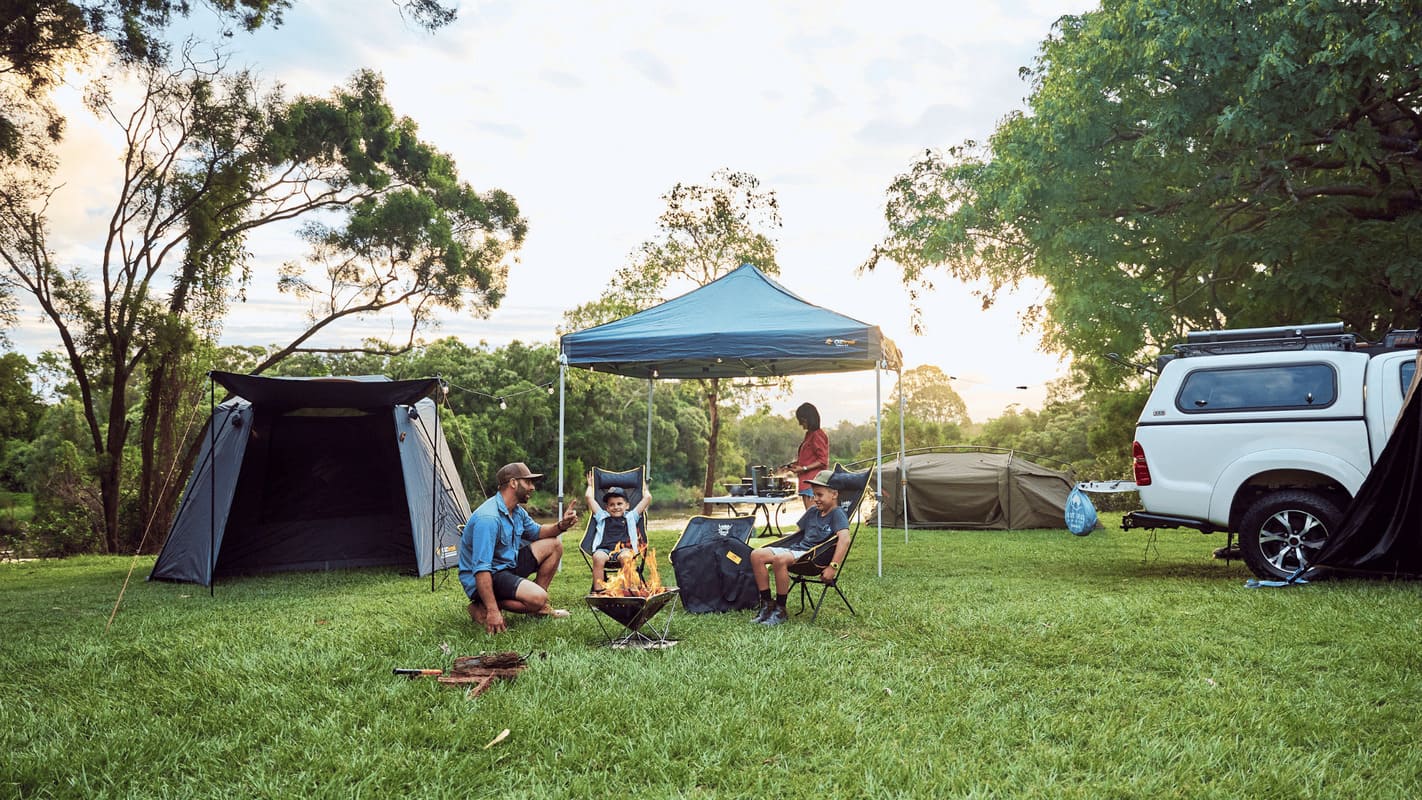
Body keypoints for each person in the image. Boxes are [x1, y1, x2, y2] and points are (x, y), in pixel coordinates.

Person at [460, 462, 579, 634]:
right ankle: (483, 605)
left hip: (507, 566)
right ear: (513, 483)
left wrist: (562, 525)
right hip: (486, 577)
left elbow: (538, 532)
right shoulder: (488, 518)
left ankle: (536, 608)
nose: (532, 488)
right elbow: (481, 569)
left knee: (554, 545)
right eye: (528, 482)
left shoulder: (516, 511)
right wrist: (493, 611)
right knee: (538, 597)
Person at [747, 470, 850, 626]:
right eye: (814, 495)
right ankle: (767, 604)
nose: (815, 499)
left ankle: (781, 609)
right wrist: (782, 542)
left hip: (813, 557)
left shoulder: (837, 514)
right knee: (756, 555)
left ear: (834, 494)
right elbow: (798, 533)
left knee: (780, 559)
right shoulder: (813, 512)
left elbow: (845, 539)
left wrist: (833, 567)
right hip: (796, 549)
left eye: (820, 495)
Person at [584, 470, 652, 592]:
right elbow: (589, 498)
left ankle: (628, 590)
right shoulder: (602, 516)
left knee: (626, 557)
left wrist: (644, 486)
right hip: (604, 550)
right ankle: (599, 592)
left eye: (619, 503)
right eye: (612, 504)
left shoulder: (631, 516)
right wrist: (590, 486)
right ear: (607, 507)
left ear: (627, 505)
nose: (616, 507)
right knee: (597, 557)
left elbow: (647, 498)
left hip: (624, 549)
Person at [786, 402, 829, 509]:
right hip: (805, 483)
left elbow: (823, 460)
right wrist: (794, 465)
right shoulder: (809, 435)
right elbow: (807, 459)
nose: (800, 424)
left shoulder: (817, 435)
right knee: (810, 518)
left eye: (802, 420)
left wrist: (803, 468)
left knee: (813, 518)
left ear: (807, 419)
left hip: (813, 483)